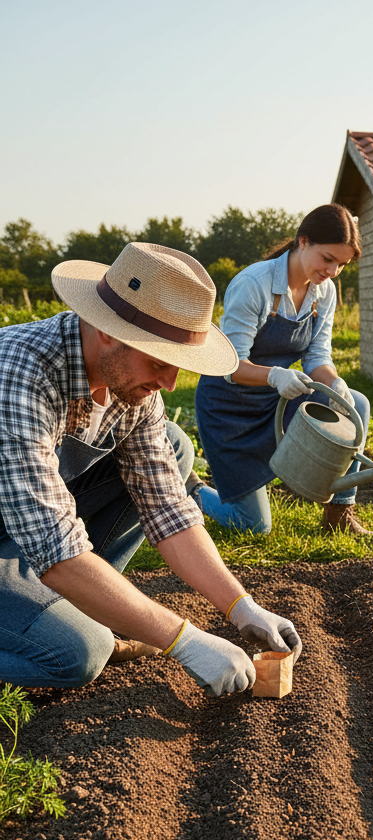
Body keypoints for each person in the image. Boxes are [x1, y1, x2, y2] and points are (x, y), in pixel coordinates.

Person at [0, 241, 302, 695]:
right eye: (159, 362)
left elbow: (167, 507)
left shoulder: (130, 388)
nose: (168, 383)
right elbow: (53, 545)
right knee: (78, 652)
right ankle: (66, 617)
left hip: (21, 527)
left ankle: (74, 605)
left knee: (174, 449)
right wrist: (183, 640)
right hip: (26, 534)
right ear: (107, 331)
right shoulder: (21, 372)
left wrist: (241, 607)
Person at [192, 203, 372, 535]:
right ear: (303, 242)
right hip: (229, 409)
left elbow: (317, 357)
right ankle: (191, 491)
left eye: (342, 265)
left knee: (356, 405)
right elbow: (231, 366)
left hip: (278, 398)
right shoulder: (254, 284)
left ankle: (339, 514)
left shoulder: (324, 292)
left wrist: (334, 383)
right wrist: (275, 375)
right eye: (327, 259)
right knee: (252, 526)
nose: (332, 271)